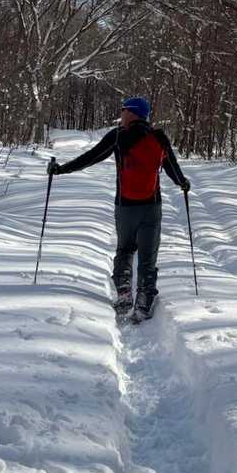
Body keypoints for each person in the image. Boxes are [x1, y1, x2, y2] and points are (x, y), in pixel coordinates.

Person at [49, 96, 190, 320]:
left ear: (132, 113)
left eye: (124, 109)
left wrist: (60, 169)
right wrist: (182, 182)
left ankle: (124, 292)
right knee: (148, 256)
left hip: (125, 206)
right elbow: (171, 167)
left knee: (125, 249)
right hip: (152, 207)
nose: (121, 114)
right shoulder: (159, 137)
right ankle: (144, 299)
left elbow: (90, 158)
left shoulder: (117, 136)